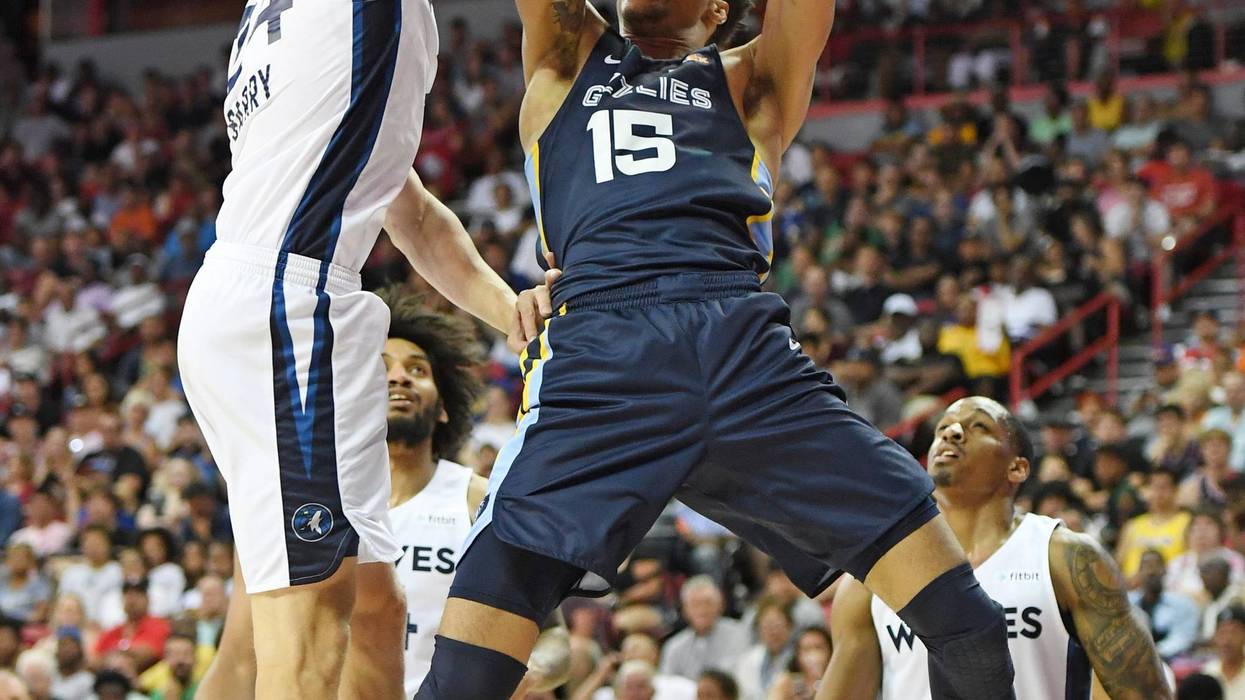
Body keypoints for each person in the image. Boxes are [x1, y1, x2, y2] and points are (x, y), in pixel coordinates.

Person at [415, 0, 1018, 696]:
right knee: (465, 677)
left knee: (969, 624)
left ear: (717, 8)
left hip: (745, 351)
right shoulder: (569, 52)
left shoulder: (751, 80)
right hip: (601, 355)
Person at [178, 1, 555, 699]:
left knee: (374, 608)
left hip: (257, 301)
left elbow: (412, 216)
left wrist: (517, 319)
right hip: (289, 309)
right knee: (308, 627)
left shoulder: (310, 51)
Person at [197, 299, 571, 698]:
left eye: (417, 370)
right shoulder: (293, 508)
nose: (399, 378)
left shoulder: (478, 501)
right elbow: (238, 656)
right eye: (381, 368)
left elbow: (554, 638)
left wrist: (527, 673)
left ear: (443, 407)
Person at [818, 397, 1170, 699]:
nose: (952, 433)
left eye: (979, 427)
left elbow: (1144, 692)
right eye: (944, 427)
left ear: (1017, 468)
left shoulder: (1064, 556)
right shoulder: (876, 574)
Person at [659, 577, 749, 682]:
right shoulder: (674, 647)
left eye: (708, 603)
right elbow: (667, 684)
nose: (702, 610)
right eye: (695, 604)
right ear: (685, 610)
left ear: (720, 605)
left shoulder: (739, 633)